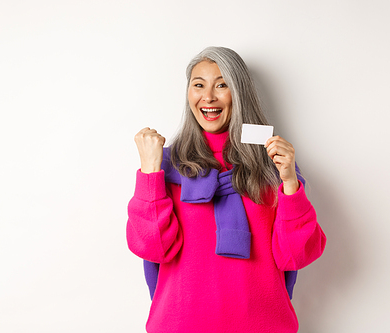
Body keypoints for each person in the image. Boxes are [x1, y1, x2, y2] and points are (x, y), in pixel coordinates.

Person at [126, 46, 326, 333]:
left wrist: (290, 182)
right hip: (181, 325)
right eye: (198, 85)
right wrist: (149, 172)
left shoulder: (272, 166)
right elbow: (152, 247)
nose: (208, 97)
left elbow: (297, 254)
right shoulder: (167, 165)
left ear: (239, 93)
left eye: (222, 85)